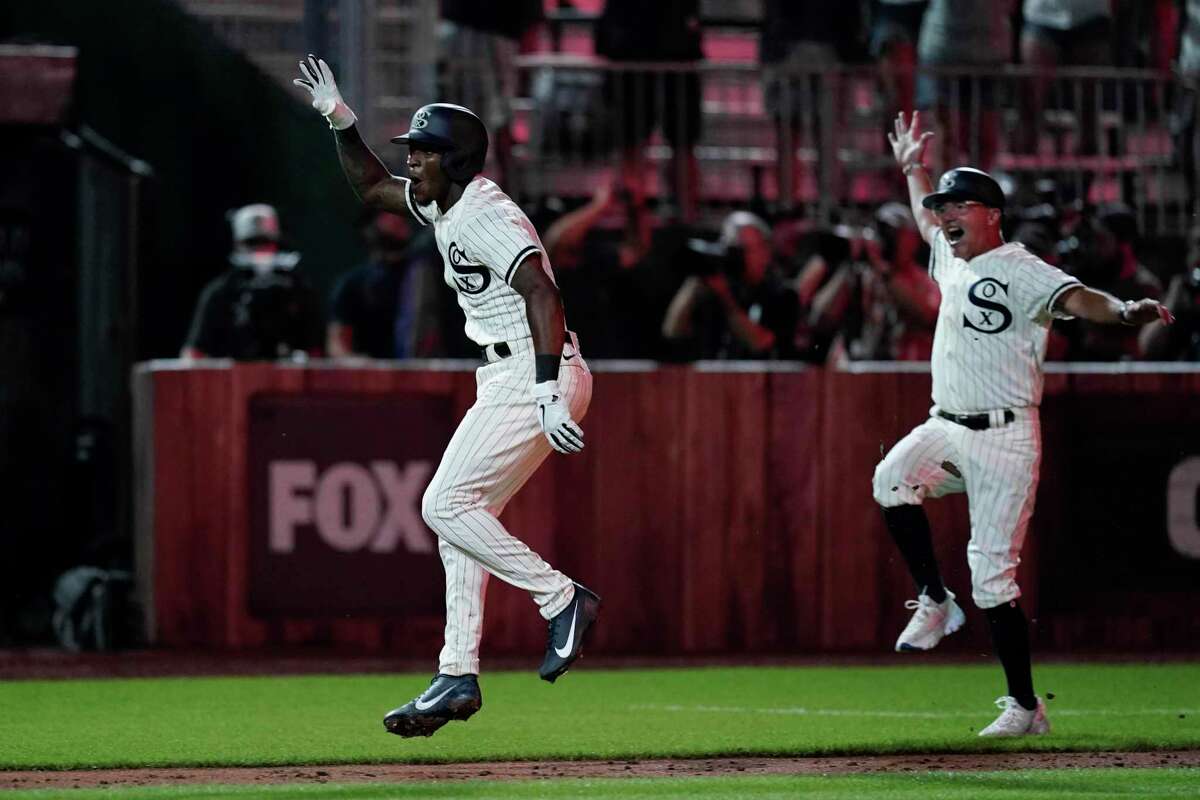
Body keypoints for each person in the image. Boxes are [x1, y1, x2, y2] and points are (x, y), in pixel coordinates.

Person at [295, 56, 599, 738]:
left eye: (426, 154)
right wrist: (340, 119)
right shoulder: (442, 201)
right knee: (463, 519)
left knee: (442, 503)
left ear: (455, 161)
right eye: (415, 151)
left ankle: (561, 598)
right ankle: (456, 675)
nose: (415, 164)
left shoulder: (487, 211)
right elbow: (372, 188)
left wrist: (549, 390)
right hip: (507, 371)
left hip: (534, 367)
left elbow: (543, 293)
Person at [874, 111, 1173, 737]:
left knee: (991, 575)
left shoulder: (1020, 266)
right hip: (949, 425)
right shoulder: (950, 258)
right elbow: (922, 215)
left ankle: (1024, 706)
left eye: (958, 206)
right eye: (942, 206)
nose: (944, 215)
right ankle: (933, 599)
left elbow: (1077, 297)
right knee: (891, 477)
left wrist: (1122, 311)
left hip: (1006, 436)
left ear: (991, 213)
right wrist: (913, 169)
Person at [180, 203, 323, 361]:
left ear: (276, 243)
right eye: (252, 243)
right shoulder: (221, 292)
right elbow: (193, 355)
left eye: (266, 242)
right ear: (238, 244)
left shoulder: (297, 289)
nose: (260, 250)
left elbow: (315, 353)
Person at [660, 211, 800, 360]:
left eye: (744, 250)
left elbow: (761, 343)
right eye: (731, 249)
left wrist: (726, 299)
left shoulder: (783, 295)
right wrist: (693, 285)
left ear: (765, 252)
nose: (737, 257)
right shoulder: (714, 289)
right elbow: (671, 331)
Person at [327, 210, 461, 359]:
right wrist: (360, 366)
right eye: (388, 212)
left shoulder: (428, 270)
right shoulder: (352, 284)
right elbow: (338, 345)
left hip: (427, 371)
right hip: (377, 376)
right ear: (370, 228)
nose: (398, 217)